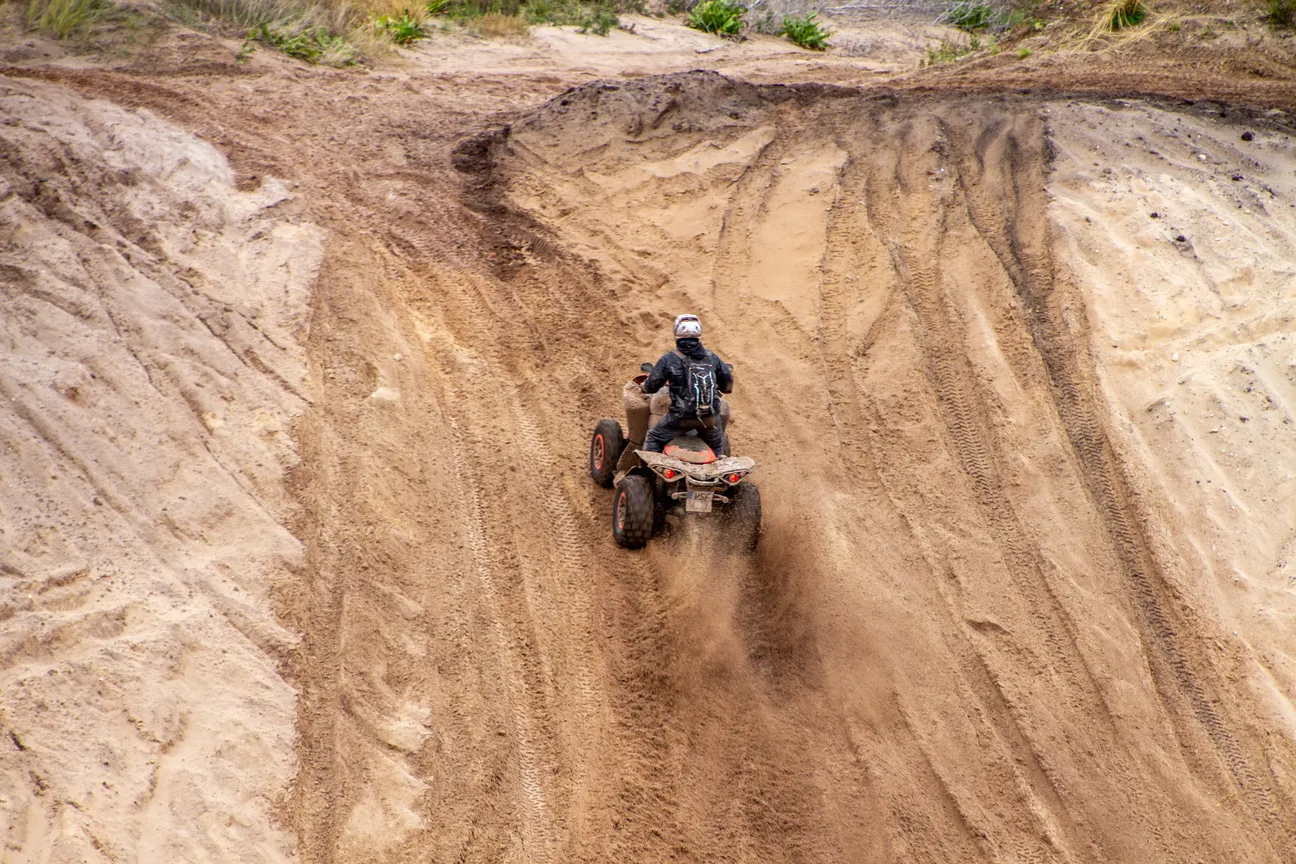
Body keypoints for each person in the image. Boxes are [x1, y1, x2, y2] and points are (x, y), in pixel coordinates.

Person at [641, 314, 733, 455]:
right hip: (709, 419)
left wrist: (643, 387)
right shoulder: (712, 357)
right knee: (718, 450)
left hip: (680, 418)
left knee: (654, 437)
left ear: (676, 334)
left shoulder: (669, 359)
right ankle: (719, 472)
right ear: (698, 334)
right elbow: (727, 386)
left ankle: (646, 474)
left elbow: (651, 386)